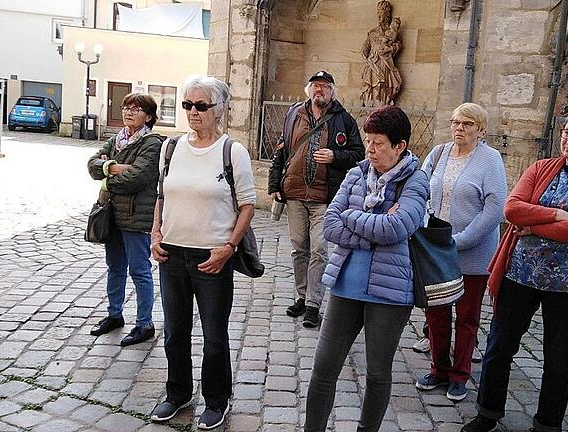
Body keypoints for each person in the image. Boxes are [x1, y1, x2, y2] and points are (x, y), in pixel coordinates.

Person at [462, 105, 568, 432]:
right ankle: (487, 413)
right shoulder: (540, 167)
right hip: (520, 274)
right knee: (499, 346)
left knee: (558, 359)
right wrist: (557, 216)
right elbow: (512, 209)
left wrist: (535, 227)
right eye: (566, 133)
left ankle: (547, 425)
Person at [304, 105, 430, 431]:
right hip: (347, 283)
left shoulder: (416, 181)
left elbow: (398, 228)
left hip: (390, 293)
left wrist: (353, 217)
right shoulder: (356, 173)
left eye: (379, 143)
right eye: (369, 141)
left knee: (377, 372)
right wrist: (371, 226)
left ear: (400, 146)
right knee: (323, 368)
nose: (370, 149)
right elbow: (331, 225)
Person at [149, 76, 255, 430]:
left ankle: (216, 400)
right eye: (187, 105)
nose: (193, 112)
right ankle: (177, 393)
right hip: (172, 254)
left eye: (201, 105)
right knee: (174, 332)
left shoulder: (232, 151)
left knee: (214, 335)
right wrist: (155, 232)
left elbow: (247, 205)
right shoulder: (171, 148)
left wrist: (229, 247)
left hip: (212, 257)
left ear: (219, 109)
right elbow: (162, 195)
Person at [414, 103, 507, 402]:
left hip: (472, 252)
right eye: (456, 122)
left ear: (481, 129)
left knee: (467, 317)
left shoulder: (490, 160)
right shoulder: (439, 153)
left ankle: (459, 374)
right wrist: (426, 223)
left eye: (467, 124)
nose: (459, 128)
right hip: (437, 249)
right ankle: (438, 369)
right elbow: (419, 188)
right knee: (436, 313)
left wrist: (462, 239)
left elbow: (495, 209)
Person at [267, 71, 364, 328]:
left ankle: (313, 304)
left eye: (324, 87)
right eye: (315, 86)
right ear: (308, 90)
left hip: (324, 195)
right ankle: (301, 295)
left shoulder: (343, 119)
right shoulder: (293, 114)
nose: (319, 91)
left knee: (319, 250)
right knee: (299, 247)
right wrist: (274, 183)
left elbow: (358, 153)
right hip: (296, 193)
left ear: (333, 91)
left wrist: (335, 156)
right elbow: (282, 149)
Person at [87, 93, 162, 347]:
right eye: (126, 107)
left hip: (136, 216)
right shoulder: (116, 140)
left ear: (149, 116)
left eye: (136, 109)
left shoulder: (152, 143)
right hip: (111, 214)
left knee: (140, 271)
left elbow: (138, 177)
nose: (129, 112)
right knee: (115, 267)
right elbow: (91, 165)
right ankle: (114, 314)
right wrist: (112, 168)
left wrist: (106, 177)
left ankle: (144, 323)